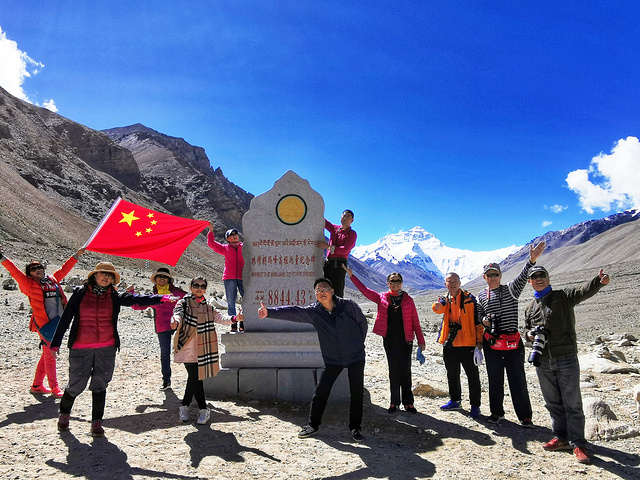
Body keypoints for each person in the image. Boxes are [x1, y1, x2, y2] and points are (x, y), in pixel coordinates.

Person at [50, 262, 176, 437]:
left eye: (109, 275)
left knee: (100, 383)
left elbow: (135, 298)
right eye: (102, 274)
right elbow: (66, 318)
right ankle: (64, 415)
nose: (106, 277)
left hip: (106, 347)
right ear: (94, 276)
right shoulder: (80, 292)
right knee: (76, 383)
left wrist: (160, 299)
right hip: (81, 346)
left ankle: (96, 423)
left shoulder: (114, 294)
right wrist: (55, 343)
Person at [258, 278, 367, 442]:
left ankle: (355, 428)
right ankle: (313, 425)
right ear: (315, 295)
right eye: (318, 290)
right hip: (333, 359)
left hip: (355, 357)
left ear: (332, 291)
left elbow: (362, 324)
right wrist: (270, 313)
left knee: (356, 393)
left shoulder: (348, 305)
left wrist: (357, 344)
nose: (321, 292)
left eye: (324, 288)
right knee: (321, 392)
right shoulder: (314, 312)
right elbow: (294, 312)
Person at [524, 266, 610, 464]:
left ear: (548, 277)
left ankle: (579, 443)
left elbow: (582, 291)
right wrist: (530, 335)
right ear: (530, 282)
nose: (538, 279)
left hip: (566, 357)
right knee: (553, 402)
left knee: (572, 403)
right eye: (534, 277)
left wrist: (598, 282)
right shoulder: (530, 307)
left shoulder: (563, 296)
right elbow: (526, 332)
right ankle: (561, 437)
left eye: (542, 275)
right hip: (543, 361)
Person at [0, 244, 85, 397]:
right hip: (45, 324)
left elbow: (64, 270)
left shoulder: (52, 280)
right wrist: (2, 257)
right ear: (29, 273)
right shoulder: (27, 284)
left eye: (39, 266)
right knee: (51, 354)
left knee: (46, 354)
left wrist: (76, 255)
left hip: (59, 321)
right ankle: (54, 387)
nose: (37, 269)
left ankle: (37, 385)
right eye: (33, 268)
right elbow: (13, 271)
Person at [476, 241, 545, 426]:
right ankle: (496, 412)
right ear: (484, 277)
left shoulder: (511, 289)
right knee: (494, 378)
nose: (493, 278)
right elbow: (478, 314)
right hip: (492, 342)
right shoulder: (481, 295)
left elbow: (523, 277)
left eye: (495, 275)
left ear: (500, 275)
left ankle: (525, 416)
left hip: (513, 342)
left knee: (517, 378)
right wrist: (484, 321)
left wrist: (532, 260)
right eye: (489, 275)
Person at [345, 266, 425, 414]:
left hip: (406, 339)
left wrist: (421, 341)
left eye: (397, 281)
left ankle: (409, 403)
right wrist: (352, 276)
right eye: (392, 281)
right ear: (387, 283)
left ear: (401, 283)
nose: (395, 283)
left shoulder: (408, 300)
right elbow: (366, 291)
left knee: (406, 370)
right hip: (389, 339)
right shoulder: (381, 297)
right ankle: (394, 402)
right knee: (393, 370)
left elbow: (415, 321)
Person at [171, 276, 241, 425]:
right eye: (196, 285)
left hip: (204, 347)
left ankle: (184, 406)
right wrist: (176, 321)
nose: (199, 288)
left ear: (205, 289)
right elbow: (178, 314)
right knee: (195, 377)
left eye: (202, 286)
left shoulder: (208, 307)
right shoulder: (183, 303)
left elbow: (221, 318)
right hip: (187, 346)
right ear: (191, 287)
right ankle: (203, 409)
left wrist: (235, 318)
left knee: (195, 378)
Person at [432, 272, 483, 418]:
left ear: (460, 283)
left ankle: (475, 405)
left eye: (455, 281)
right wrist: (437, 304)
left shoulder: (470, 299)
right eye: (449, 281)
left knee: (473, 377)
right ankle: (455, 400)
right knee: (452, 374)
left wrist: (479, 343)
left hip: (468, 344)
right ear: (445, 284)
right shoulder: (445, 300)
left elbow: (478, 322)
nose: (453, 283)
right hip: (450, 344)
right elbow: (437, 309)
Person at [131, 267, 186, 391]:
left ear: (169, 280)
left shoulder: (178, 293)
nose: (162, 279)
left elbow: (190, 301)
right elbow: (137, 306)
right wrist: (130, 293)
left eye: (164, 277)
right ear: (155, 280)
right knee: (164, 354)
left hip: (180, 326)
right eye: (159, 277)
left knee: (187, 351)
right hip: (162, 327)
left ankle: (193, 379)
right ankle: (166, 380)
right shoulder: (153, 296)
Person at [207, 223, 244, 332]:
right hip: (229, 277)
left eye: (236, 234)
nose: (235, 236)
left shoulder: (244, 247)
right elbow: (211, 244)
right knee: (231, 302)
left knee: (246, 300)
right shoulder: (225, 248)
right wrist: (211, 232)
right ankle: (233, 323)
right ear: (227, 239)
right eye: (232, 235)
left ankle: (243, 321)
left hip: (243, 277)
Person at [316, 210, 357, 298]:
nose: (345, 218)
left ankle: (338, 310)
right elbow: (324, 222)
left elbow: (345, 250)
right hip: (328, 263)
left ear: (352, 220)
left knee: (337, 290)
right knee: (325, 287)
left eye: (348, 216)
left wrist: (328, 247)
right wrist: (314, 210)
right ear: (341, 217)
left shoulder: (352, 234)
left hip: (339, 264)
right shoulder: (335, 228)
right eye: (344, 216)